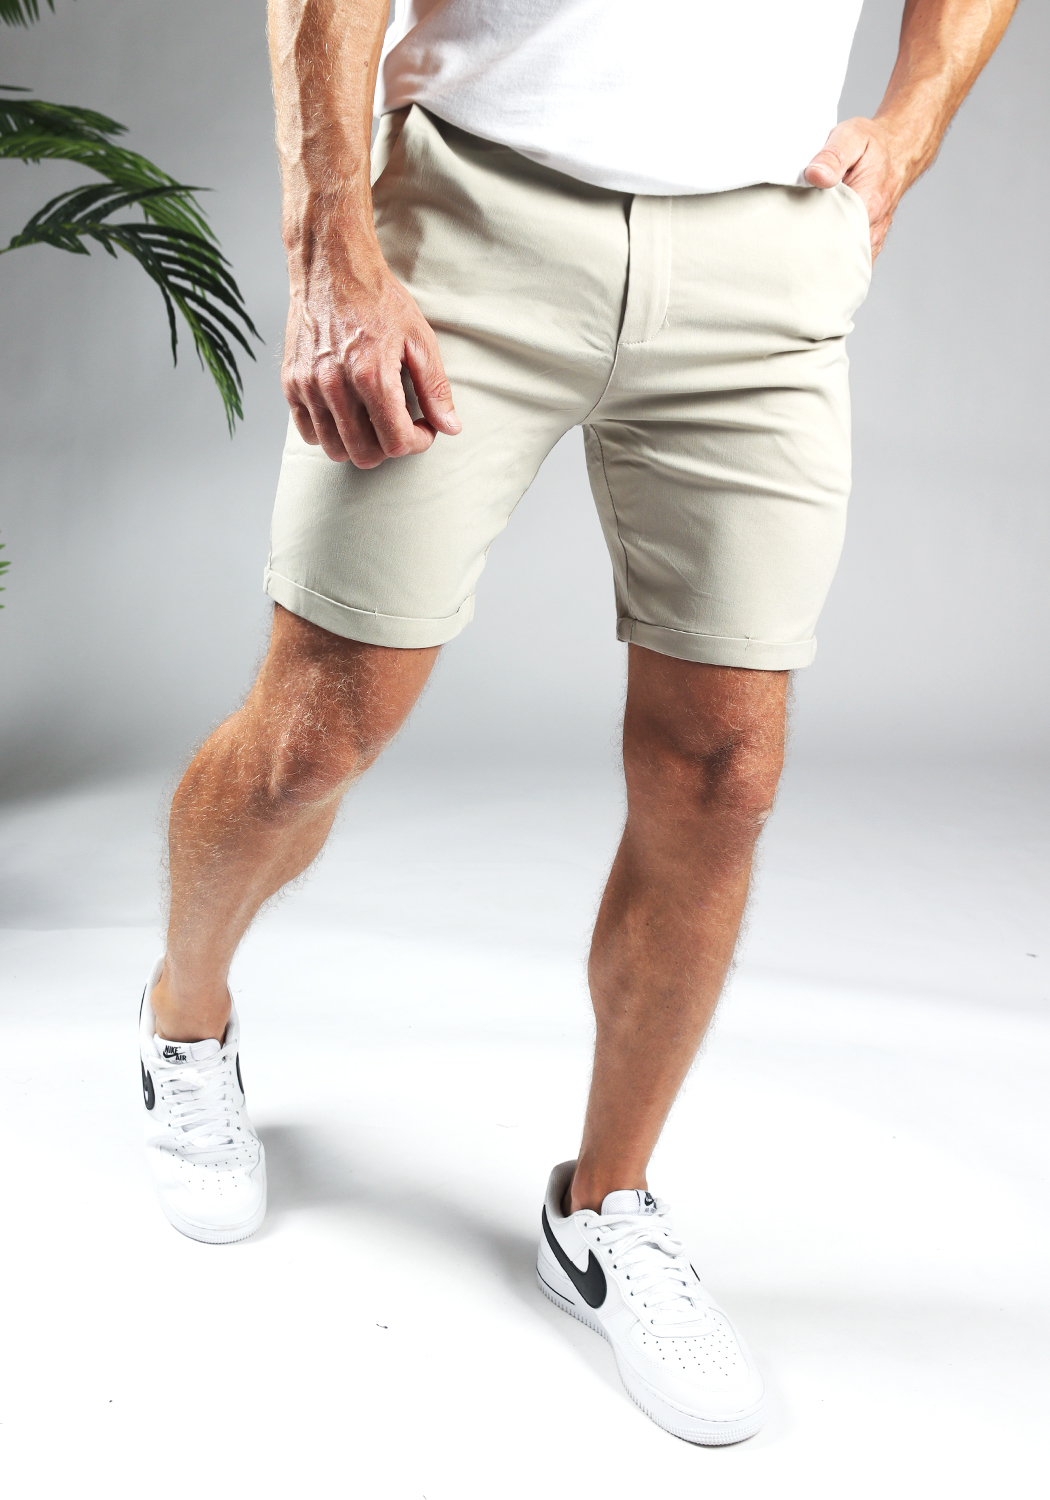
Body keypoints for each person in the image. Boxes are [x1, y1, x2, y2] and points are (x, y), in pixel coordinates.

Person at [137, 0, 1018, 1445]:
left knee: (723, 773)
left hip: (763, 249)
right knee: (312, 737)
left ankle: (603, 1209)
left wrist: (912, 121)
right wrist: (327, 243)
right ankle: (184, 1020)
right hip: (471, 216)